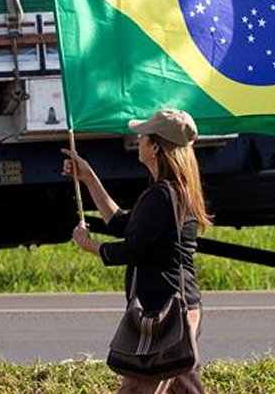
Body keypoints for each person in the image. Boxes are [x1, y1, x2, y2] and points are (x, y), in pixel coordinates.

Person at [64, 108, 211, 394]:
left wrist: (90, 245)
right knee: (185, 389)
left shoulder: (162, 196)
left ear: (155, 148)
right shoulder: (173, 191)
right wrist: (89, 178)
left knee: (136, 389)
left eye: (143, 135)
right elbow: (122, 224)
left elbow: (130, 250)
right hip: (181, 308)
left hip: (166, 311)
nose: (138, 140)